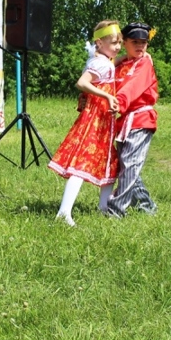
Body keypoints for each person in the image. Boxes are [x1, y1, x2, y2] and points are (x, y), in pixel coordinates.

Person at [48, 20, 122, 227]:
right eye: (114, 42)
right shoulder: (99, 63)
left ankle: (103, 207)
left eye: (120, 43)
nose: (118, 47)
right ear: (99, 43)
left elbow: (109, 68)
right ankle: (64, 212)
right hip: (95, 121)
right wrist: (106, 97)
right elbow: (82, 82)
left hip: (103, 121)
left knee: (110, 162)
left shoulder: (104, 61)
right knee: (82, 162)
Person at [103, 22, 159, 218]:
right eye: (135, 41)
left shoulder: (144, 63)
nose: (140, 46)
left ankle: (116, 210)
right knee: (126, 165)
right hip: (125, 121)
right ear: (124, 42)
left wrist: (118, 102)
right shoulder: (122, 65)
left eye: (144, 43)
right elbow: (104, 82)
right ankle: (147, 206)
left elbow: (132, 87)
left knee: (129, 163)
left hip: (141, 118)